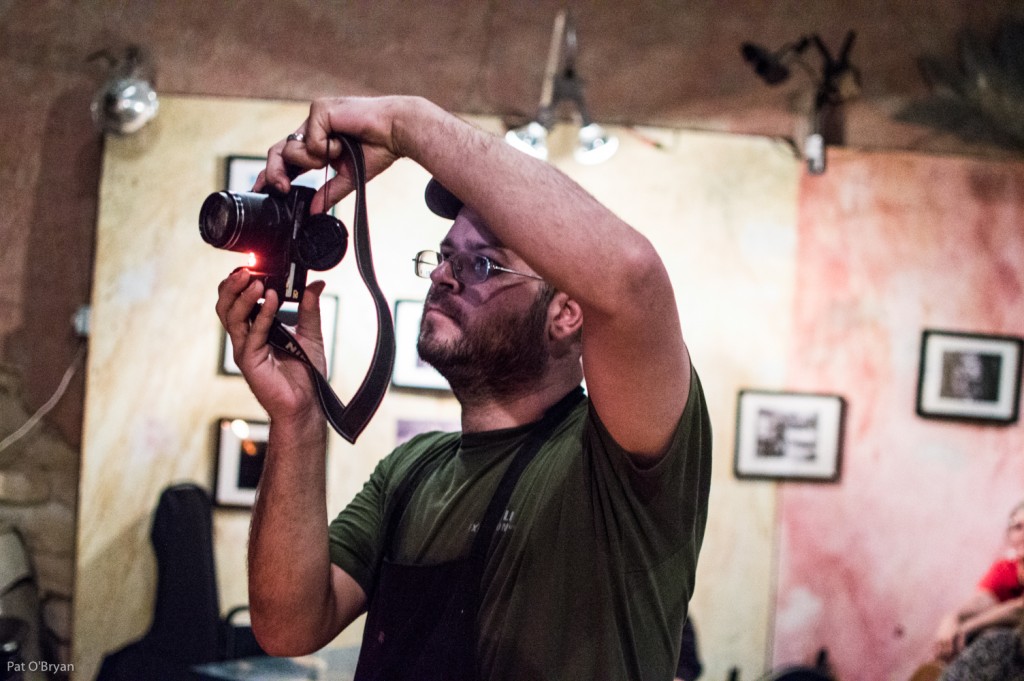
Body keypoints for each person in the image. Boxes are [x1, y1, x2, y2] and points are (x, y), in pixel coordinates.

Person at [215, 95, 711, 681]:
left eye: (482, 265)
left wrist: (407, 126)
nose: (445, 273)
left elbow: (631, 275)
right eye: (447, 256)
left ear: (568, 313)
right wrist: (296, 418)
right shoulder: (410, 472)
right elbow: (288, 626)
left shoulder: (616, 458)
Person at [933, 500, 1024, 662]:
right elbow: (982, 601)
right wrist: (952, 618)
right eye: (1018, 527)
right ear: (1009, 536)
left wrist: (968, 628)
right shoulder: (1005, 568)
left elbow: (1019, 609)